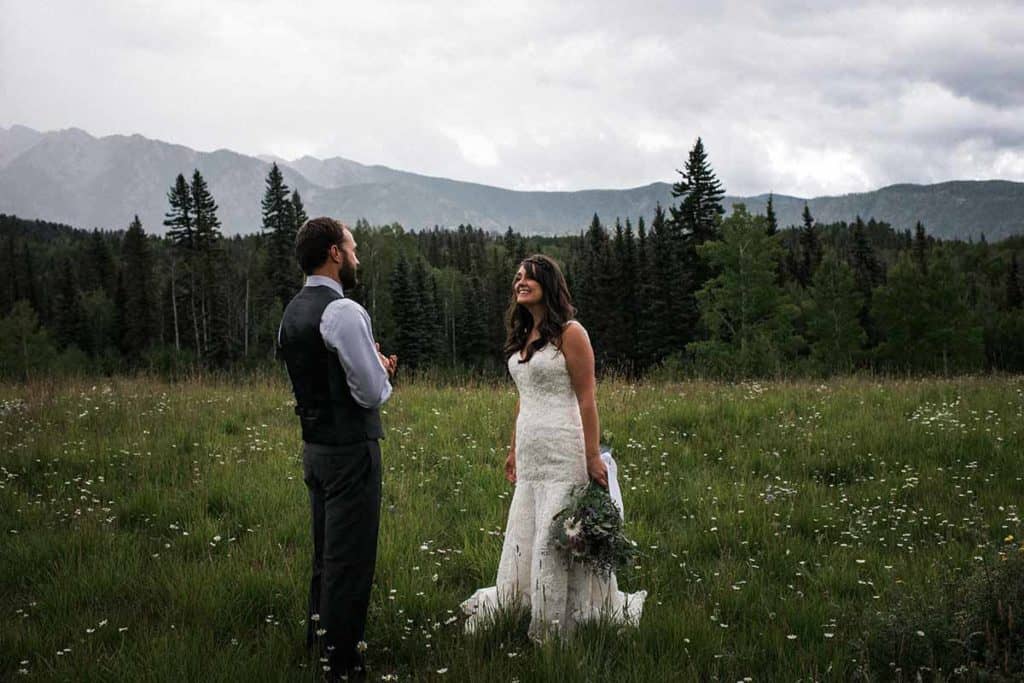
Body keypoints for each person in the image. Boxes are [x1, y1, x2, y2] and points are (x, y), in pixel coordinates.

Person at [461, 254, 645, 641]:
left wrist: (593, 455)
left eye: (528, 277)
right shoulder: (523, 334)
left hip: (564, 447)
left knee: (555, 535)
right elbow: (522, 397)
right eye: (516, 278)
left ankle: (556, 622)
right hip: (532, 451)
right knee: (527, 530)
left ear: (548, 283)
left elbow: (588, 398)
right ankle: (524, 603)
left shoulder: (572, 333)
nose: (520, 282)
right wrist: (513, 449)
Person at [277, 217, 397, 681]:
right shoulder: (343, 311)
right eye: (353, 248)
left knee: (324, 555)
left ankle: (320, 643)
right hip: (351, 451)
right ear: (334, 253)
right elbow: (369, 392)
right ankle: (343, 665)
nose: (357, 257)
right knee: (350, 559)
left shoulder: (292, 312)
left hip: (315, 449)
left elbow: (317, 374)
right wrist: (383, 369)